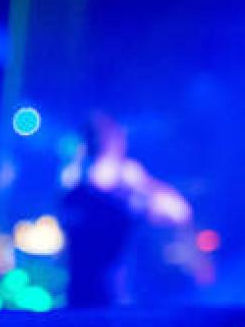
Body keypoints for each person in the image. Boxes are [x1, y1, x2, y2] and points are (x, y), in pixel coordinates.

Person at [62, 112, 195, 307]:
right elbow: (178, 211)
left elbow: (177, 211)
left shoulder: (78, 186)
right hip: (103, 294)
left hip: (104, 294)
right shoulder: (80, 185)